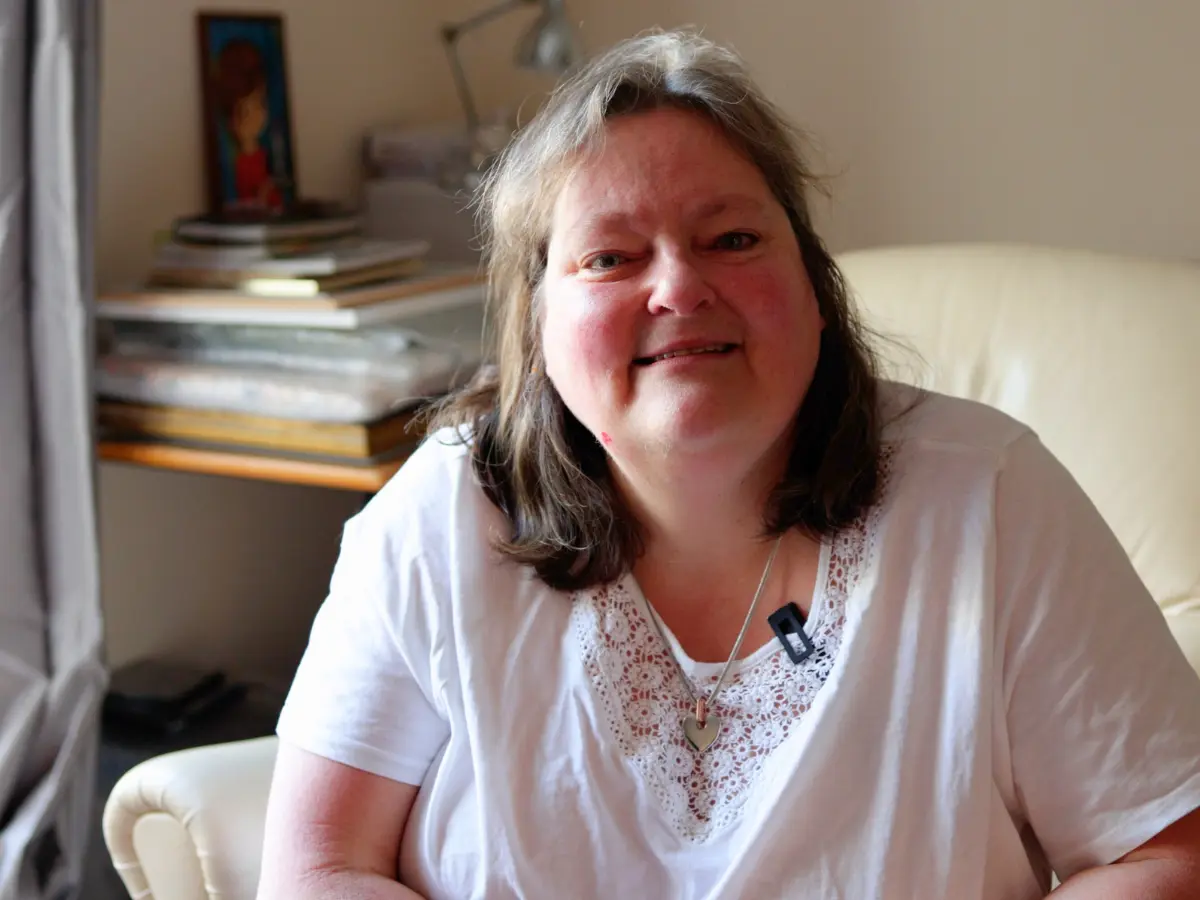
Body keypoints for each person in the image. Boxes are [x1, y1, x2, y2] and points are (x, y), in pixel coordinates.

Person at [257, 29, 1200, 900]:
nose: (679, 286)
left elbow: (1169, 850)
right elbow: (316, 870)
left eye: (733, 240)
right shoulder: (440, 514)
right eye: (611, 257)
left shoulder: (988, 495)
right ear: (537, 329)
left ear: (815, 292)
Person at [212, 38, 282, 212]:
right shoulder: (239, 166)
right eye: (249, 110)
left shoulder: (259, 155)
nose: (260, 114)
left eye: (261, 104)